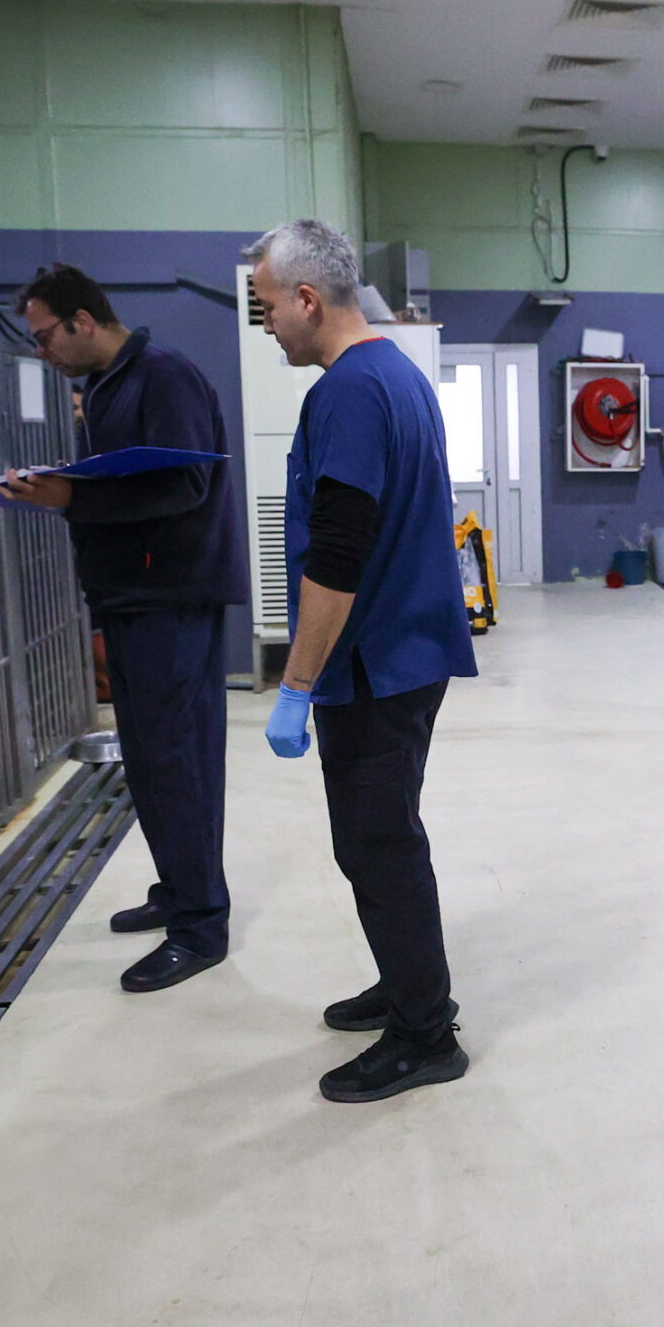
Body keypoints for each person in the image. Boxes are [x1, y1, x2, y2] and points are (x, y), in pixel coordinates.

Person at [247, 219, 478, 1103]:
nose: (266, 324)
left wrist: (295, 685)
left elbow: (337, 555)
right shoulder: (400, 376)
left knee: (380, 844)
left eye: (268, 307)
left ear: (308, 299)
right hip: (407, 652)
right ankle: (404, 982)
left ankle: (428, 1033)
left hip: (375, 664)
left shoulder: (346, 393)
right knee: (376, 840)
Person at [2, 264, 243, 993]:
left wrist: (71, 495)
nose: (42, 350)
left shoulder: (164, 376)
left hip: (172, 595)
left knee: (181, 760)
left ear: (82, 320)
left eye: (45, 336)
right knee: (148, 760)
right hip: (131, 596)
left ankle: (201, 925)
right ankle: (177, 891)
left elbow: (183, 483)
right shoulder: (107, 387)